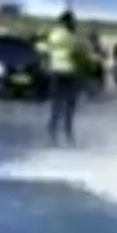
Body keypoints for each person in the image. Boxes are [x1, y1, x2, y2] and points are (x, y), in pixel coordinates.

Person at [38, 9, 86, 145]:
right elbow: (82, 53)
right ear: (70, 22)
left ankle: (52, 133)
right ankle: (68, 134)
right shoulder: (73, 37)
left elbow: (43, 49)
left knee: (56, 105)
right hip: (70, 73)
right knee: (70, 106)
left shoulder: (53, 34)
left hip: (56, 72)